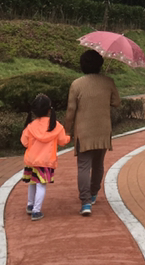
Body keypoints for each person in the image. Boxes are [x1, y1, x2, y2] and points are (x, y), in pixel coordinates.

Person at [64, 49, 121, 216]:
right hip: (102, 130)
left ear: (82, 66)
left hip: (84, 132)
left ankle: (85, 202)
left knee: (83, 166)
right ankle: (94, 193)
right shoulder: (108, 82)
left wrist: (67, 130)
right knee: (98, 164)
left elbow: (71, 110)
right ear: (100, 65)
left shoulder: (76, 84)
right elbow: (117, 102)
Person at [20, 94, 70, 221]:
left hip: (31, 160)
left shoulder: (30, 126)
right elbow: (63, 141)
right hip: (46, 161)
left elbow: (24, 142)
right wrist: (69, 137)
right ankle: (36, 211)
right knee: (41, 185)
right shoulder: (56, 126)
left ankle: (30, 205)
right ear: (49, 110)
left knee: (32, 182)